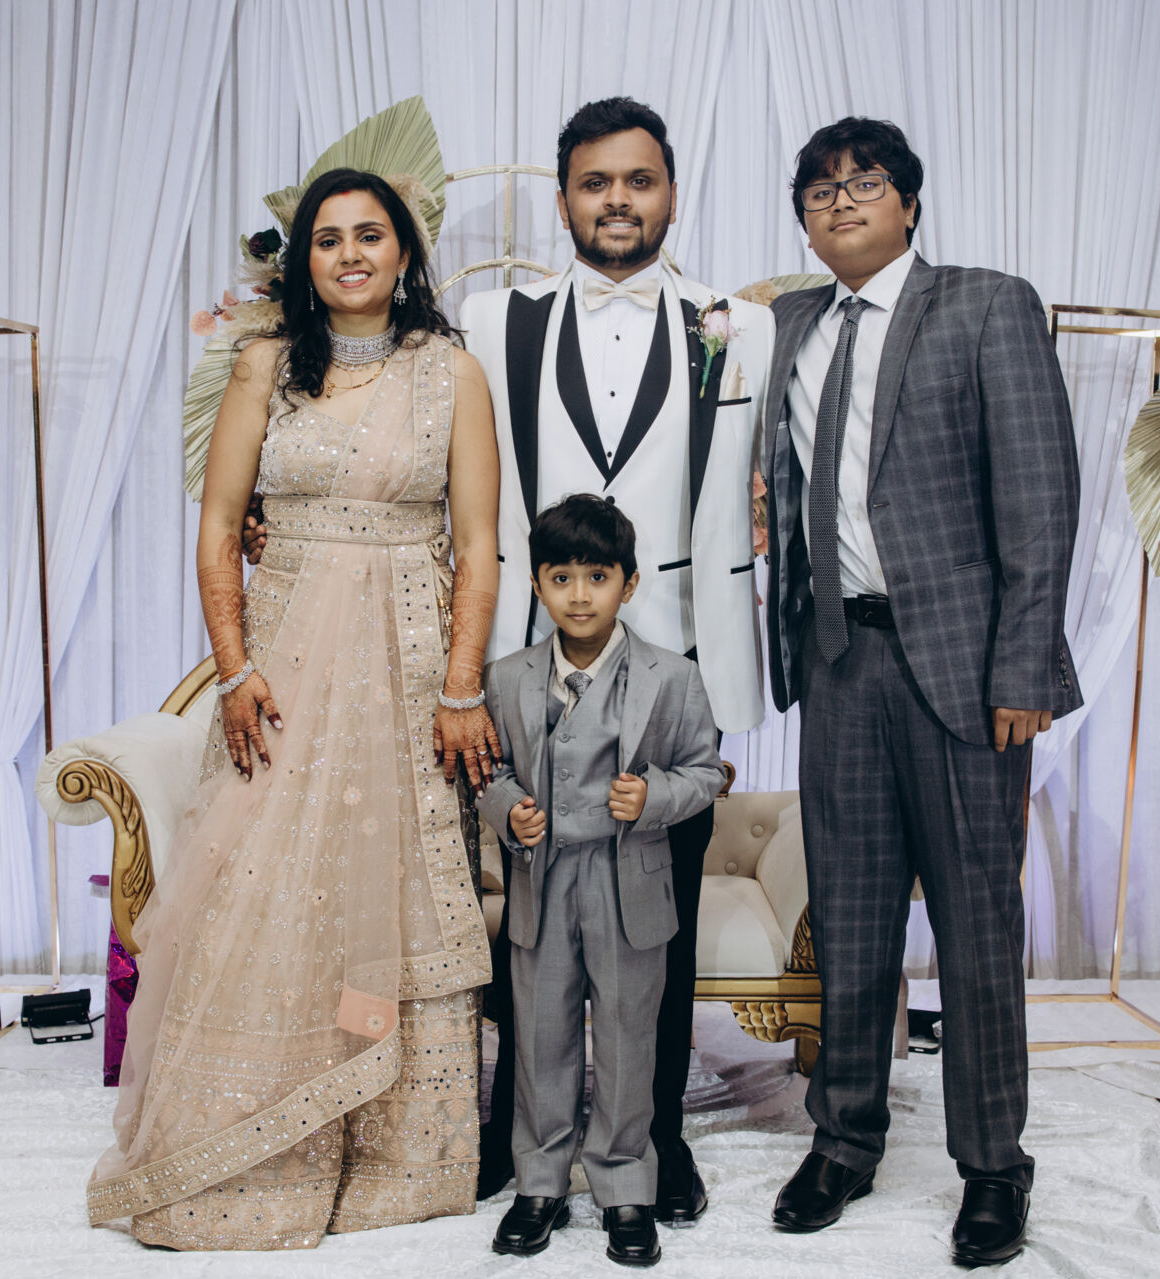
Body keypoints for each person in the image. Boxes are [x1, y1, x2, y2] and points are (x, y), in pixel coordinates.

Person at [86, 168, 502, 1250]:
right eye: (329, 239)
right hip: (286, 665)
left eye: (371, 235)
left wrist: (462, 684)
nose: (351, 254)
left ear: (404, 253)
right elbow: (220, 527)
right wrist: (233, 671)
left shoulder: (453, 373)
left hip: (408, 665)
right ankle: (247, 1141)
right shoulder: (264, 366)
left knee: (392, 884)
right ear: (304, 261)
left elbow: (478, 545)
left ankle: (395, 1158)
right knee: (265, 884)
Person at [760, 119, 1083, 1265]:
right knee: (849, 920)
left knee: (976, 926)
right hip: (838, 658)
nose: (842, 201)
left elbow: (1041, 497)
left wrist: (1024, 666)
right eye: (819, 191)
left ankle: (994, 1167)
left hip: (964, 667)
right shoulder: (787, 325)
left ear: (908, 203)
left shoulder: (987, 305)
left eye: (866, 183)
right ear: (803, 221)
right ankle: (844, 1139)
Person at [459, 96, 772, 1222]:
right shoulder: (493, 321)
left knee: (655, 927)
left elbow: (758, 486)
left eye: (639, 180)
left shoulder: (738, 326)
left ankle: (657, 1137)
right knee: (527, 922)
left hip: (675, 662)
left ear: (671, 192)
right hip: (527, 661)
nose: (619, 201)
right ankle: (518, 1133)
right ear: (564, 201)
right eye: (596, 182)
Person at [477, 494, 726, 1268]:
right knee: (542, 1037)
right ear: (536, 585)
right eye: (561, 578)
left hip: (628, 883)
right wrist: (508, 808)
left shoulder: (672, 677)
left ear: (630, 583)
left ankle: (625, 1186)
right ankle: (539, 1182)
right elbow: (486, 770)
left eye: (597, 576)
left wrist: (653, 795)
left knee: (626, 1038)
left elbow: (707, 772)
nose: (579, 595)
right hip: (543, 880)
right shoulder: (506, 677)